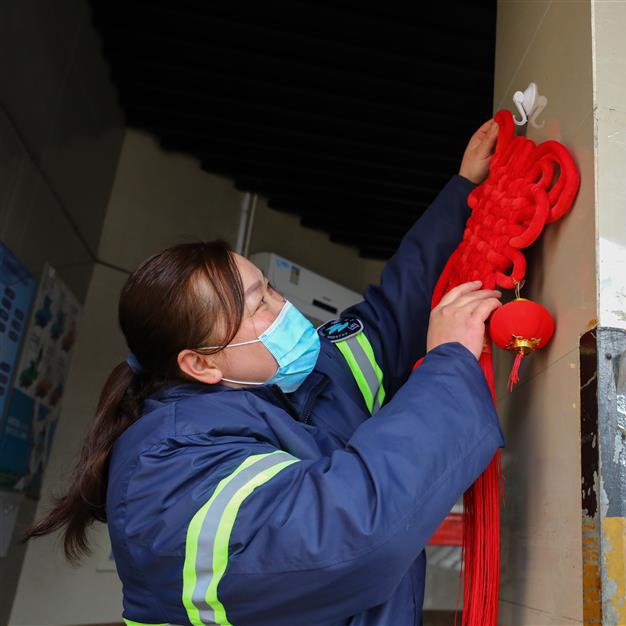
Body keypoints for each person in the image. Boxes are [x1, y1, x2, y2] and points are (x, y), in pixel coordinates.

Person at [24, 120, 506, 626]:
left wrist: (464, 190)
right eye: (257, 306)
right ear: (201, 362)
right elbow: (351, 535)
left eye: (269, 289)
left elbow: (390, 315)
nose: (283, 309)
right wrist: (449, 363)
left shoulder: (294, 373)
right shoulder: (165, 481)